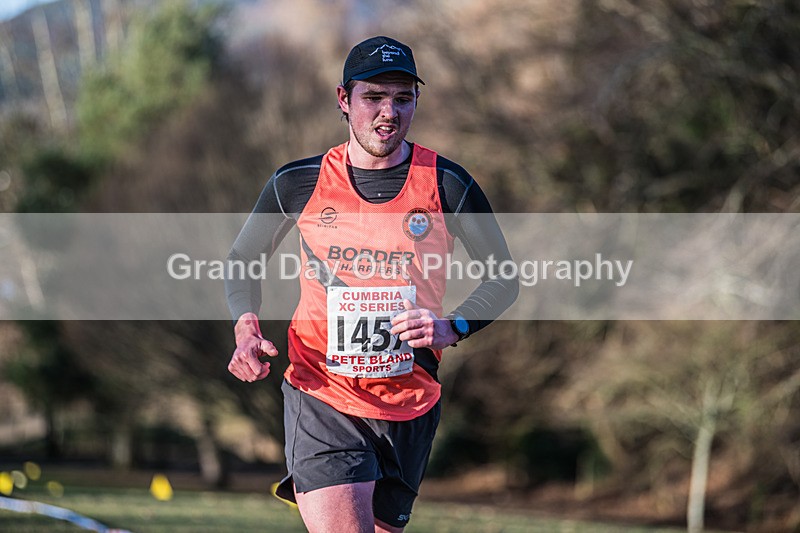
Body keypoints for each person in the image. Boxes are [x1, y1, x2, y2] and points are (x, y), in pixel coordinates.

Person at [225, 36, 518, 533]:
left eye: (403, 99)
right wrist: (245, 327)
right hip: (323, 392)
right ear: (345, 99)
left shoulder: (447, 183)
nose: (389, 113)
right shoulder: (299, 182)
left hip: (410, 401)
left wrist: (454, 326)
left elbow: (505, 276)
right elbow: (243, 257)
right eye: (374, 98)